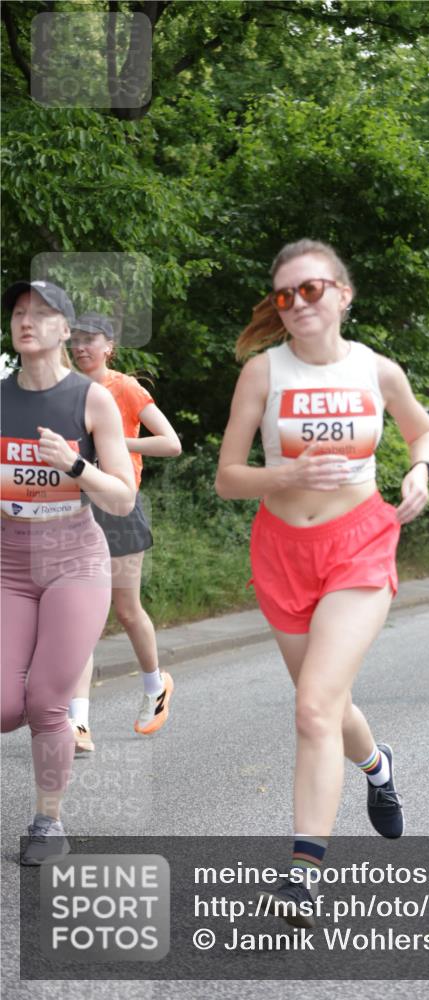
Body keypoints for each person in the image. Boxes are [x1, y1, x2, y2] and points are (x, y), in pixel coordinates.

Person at [215, 240, 429, 926]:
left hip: (359, 545)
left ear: (343, 294)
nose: (297, 304)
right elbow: (227, 479)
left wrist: (419, 471)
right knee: (327, 704)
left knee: (313, 707)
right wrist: (283, 475)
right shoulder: (261, 372)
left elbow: (421, 431)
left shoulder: (378, 370)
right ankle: (377, 764)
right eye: (284, 295)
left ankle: (304, 872)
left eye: (311, 289)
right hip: (281, 552)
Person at [1, 281, 135, 864]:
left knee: (48, 699)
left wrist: (75, 464)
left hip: (75, 560)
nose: (27, 321)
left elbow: (122, 499)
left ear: (65, 331)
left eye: (42, 314)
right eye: (18, 313)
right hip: (9, 562)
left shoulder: (92, 399)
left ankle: (48, 824)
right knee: (7, 706)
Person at [69, 312, 181, 747]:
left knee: (127, 610)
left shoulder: (124, 387)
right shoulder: (66, 391)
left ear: (109, 346)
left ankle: (156, 688)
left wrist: (114, 442)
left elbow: (171, 443)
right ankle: (79, 724)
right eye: (75, 339)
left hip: (118, 506)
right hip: (74, 508)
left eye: (90, 339)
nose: (81, 346)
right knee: (81, 616)